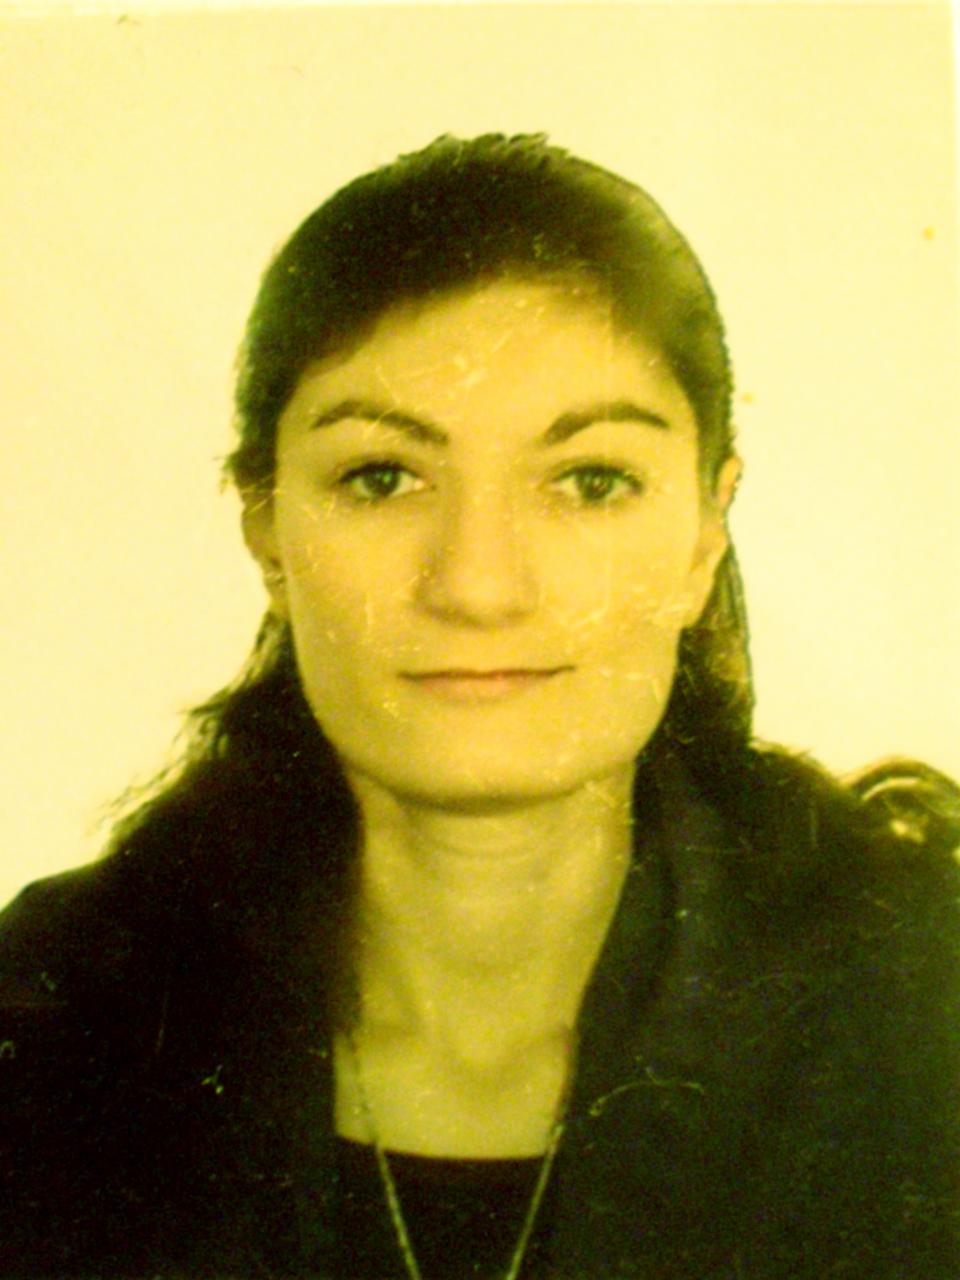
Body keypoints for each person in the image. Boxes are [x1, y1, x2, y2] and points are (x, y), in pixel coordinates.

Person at [1, 133, 958, 1280]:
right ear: (267, 527)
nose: (477, 584)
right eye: (382, 477)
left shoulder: (924, 1010)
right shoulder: (49, 1013)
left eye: (591, 481)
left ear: (706, 532)